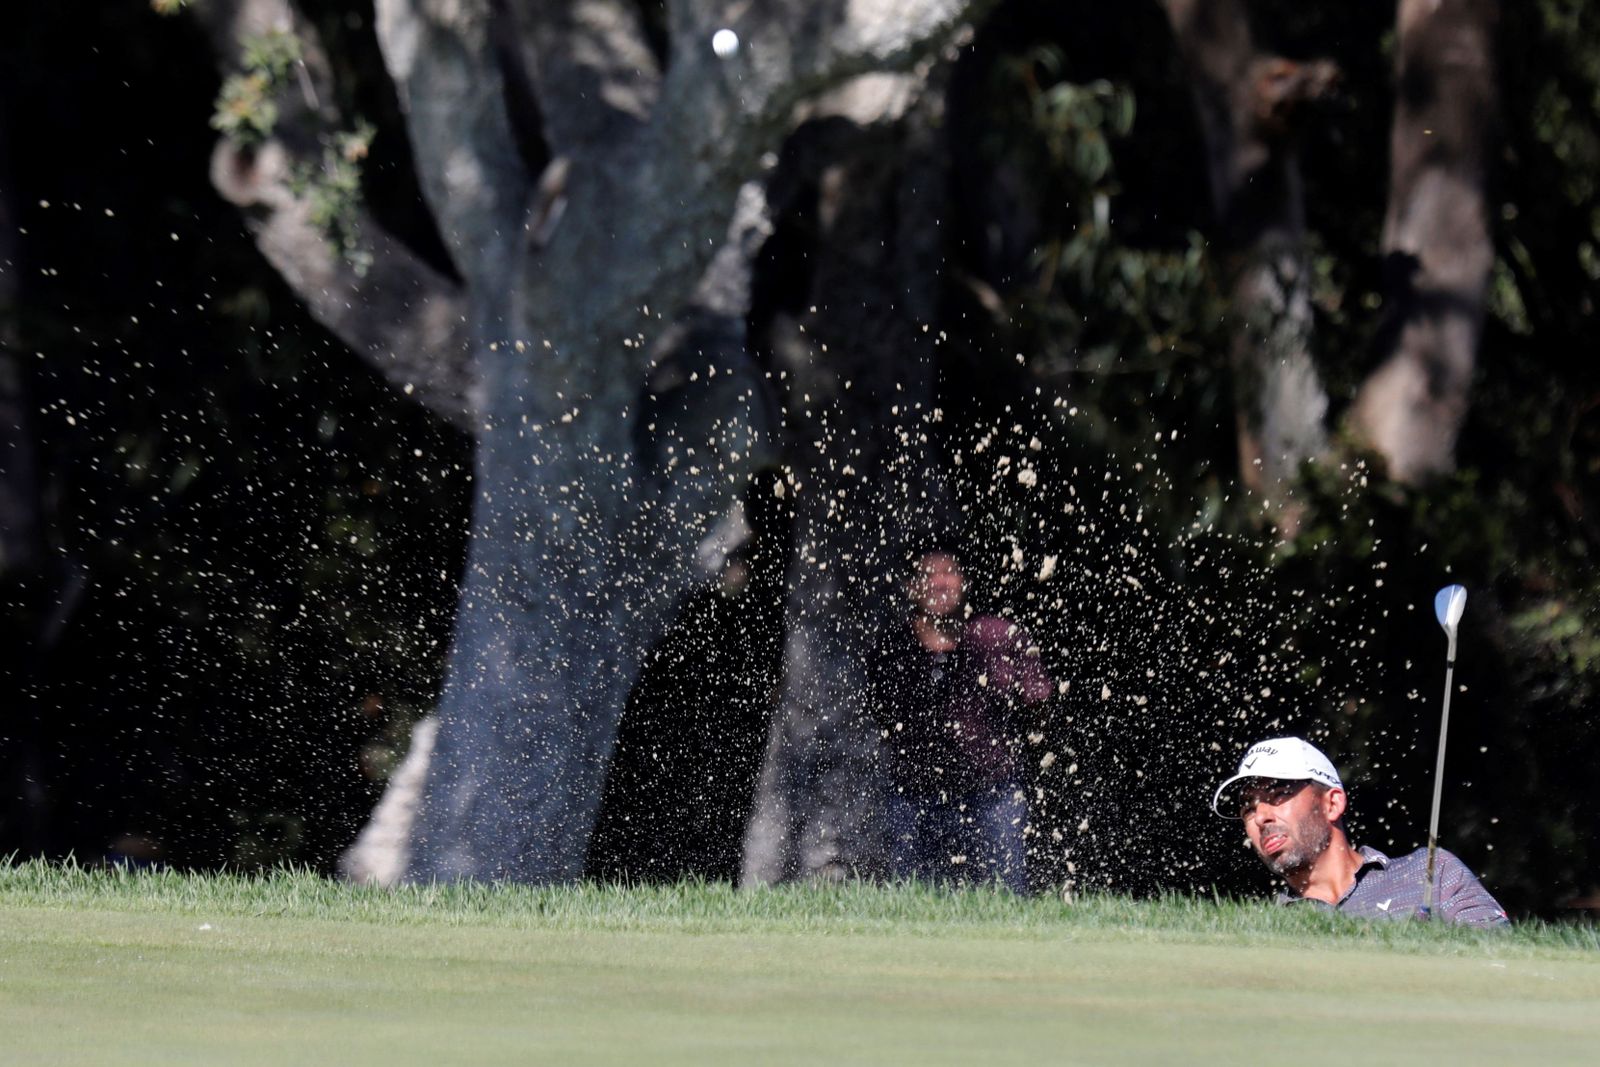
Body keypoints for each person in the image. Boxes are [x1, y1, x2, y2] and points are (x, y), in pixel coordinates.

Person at [872, 550, 1054, 892]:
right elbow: (882, 716)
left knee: (1007, 902)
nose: (941, 583)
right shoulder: (893, 647)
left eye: (950, 573)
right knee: (910, 907)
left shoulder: (996, 636)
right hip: (915, 798)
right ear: (912, 588)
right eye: (930, 574)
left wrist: (1025, 696)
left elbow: (1040, 702)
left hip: (992, 795)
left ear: (964, 584)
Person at [1211, 736, 1508, 924]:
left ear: (1332, 803)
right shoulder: (1267, 927)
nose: (1260, 816)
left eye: (1278, 795)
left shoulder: (1431, 872)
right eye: (1248, 807)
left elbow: (1498, 961)